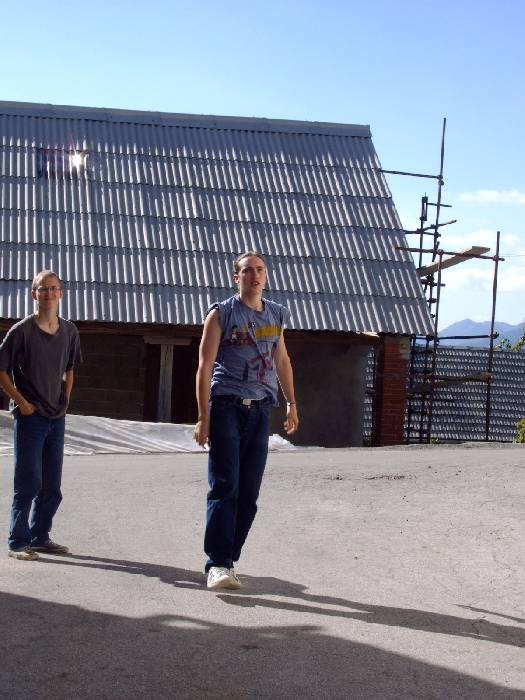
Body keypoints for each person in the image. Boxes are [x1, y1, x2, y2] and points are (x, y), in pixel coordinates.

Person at [194, 251, 299, 590]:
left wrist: (292, 402)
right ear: (236, 277)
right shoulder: (221, 313)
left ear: (265, 276)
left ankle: (229, 558)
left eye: (260, 270)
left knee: (249, 493)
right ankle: (218, 563)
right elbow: (204, 366)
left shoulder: (277, 314)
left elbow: (282, 360)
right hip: (226, 405)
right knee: (226, 485)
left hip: (261, 411)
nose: (255, 275)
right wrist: (203, 416)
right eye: (248, 270)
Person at [0, 270, 82, 561]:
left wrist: (66, 398)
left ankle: (39, 536)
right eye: (42, 289)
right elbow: (1, 370)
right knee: (28, 483)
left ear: (61, 293)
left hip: (56, 417)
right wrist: (21, 402)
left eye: (53, 288)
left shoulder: (69, 331)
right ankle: (17, 542)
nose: (48, 293)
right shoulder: (21, 331)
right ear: (33, 294)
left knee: (51, 486)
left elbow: (70, 368)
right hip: (30, 417)